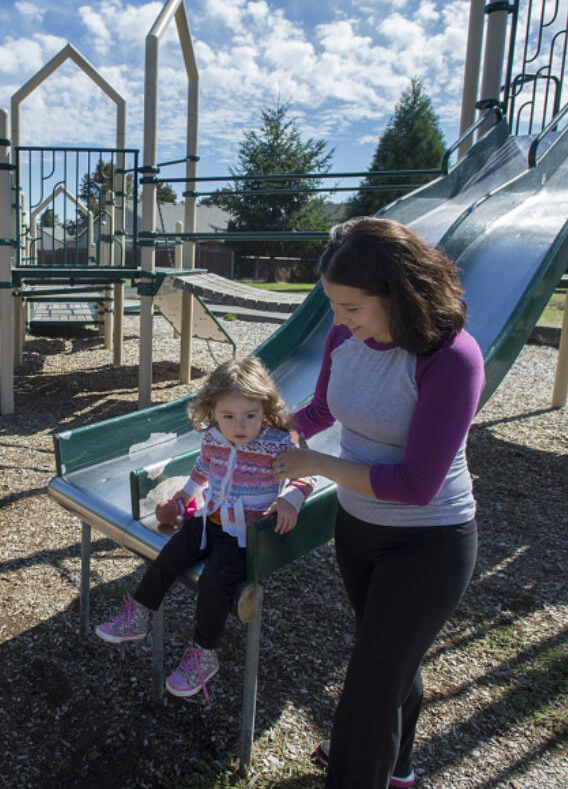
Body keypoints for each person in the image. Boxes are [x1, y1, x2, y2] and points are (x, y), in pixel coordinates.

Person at [273, 217, 485, 789]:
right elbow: (321, 412)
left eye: (350, 307)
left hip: (430, 540)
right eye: (333, 308)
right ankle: (397, 769)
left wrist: (315, 464)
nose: (338, 322)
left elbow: (417, 484)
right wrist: (270, 433)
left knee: (369, 687)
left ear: (398, 294)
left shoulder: (451, 358)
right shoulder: (347, 339)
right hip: (359, 529)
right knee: (390, 664)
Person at [95, 357, 314, 702]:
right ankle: (138, 614)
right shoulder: (213, 437)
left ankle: (204, 654)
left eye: (250, 416)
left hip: (244, 531)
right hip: (211, 517)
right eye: (229, 416)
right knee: (169, 556)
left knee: (215, 581)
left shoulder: (277, 442)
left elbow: (305, 472)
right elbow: (201, 470)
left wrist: (291, 499)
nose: (239, 426)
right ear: (213, 412)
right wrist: (181, 503)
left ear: (265, 410)